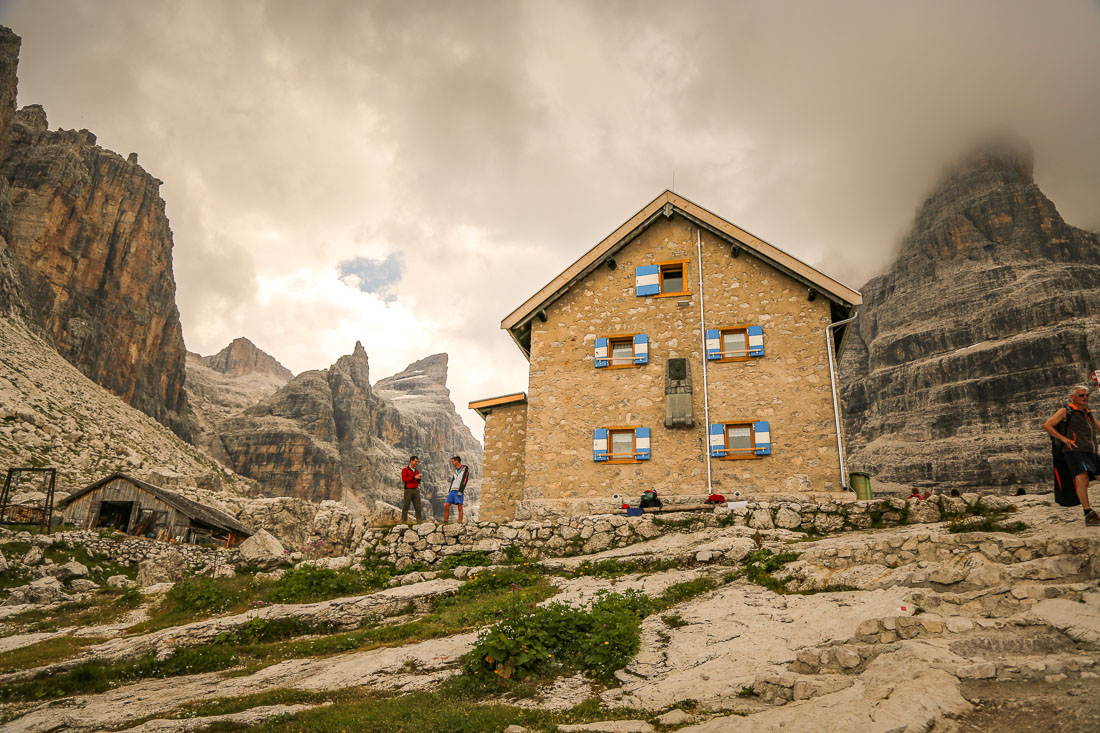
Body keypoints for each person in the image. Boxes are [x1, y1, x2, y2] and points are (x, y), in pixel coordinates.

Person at [1043, 386, 1100, 526]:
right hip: (1074, 451)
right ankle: (1088, 514)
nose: (1085, 397)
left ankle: (1089, 514)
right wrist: (1064, 439)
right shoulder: (1065, 411)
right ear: (1072, 397)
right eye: (1081, 395)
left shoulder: (1088, 412)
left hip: (1090, 452)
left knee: (1090, 478)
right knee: (1082, 479)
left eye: (1087, 395)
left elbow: (1098, 427)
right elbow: (1047, 425)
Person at [444, 455, 469, 523]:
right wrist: (450, 490)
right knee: (446, 505)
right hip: (452, 490)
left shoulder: (464, 469)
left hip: (458, 490)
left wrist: (461, 490)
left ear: (457, 461)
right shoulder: (455, 471)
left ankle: (460, 522)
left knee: (459, 506)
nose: (452, 463)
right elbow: (453, 480)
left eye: (453, 461)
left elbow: (465, 480)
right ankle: (445, 521)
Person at [400, 455, 423, 523]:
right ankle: (404, 521)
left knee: (418, 507)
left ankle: (419, 521)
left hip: (415, 490)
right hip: (408, 490)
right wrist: (414, 477)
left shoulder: (416, 471)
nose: (417, 463)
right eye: (415, 461)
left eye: (417, 462)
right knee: (406, 506)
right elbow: (404, 479)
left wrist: (419, 479)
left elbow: (417, 482)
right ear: (411, 461)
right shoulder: (405, 470)